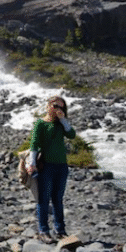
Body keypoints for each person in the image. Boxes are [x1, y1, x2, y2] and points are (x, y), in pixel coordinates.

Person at [26, 96, 76, 242]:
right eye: (55, 106)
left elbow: (71, 135)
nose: (58, 110)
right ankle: (43, 231)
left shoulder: (61, 124)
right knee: (44, 199)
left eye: (61, 107)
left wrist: (63, 120)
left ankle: (60, 230)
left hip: (61, 165)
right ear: (48, 106)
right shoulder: (40, 123)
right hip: (46, 165)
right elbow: (34, 143)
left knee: (58, 199)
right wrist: (32, 163)